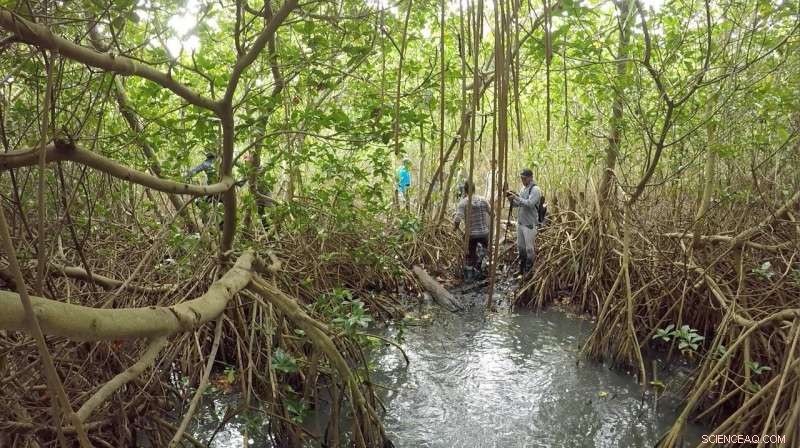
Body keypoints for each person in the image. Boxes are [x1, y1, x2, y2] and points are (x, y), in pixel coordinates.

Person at [506, 169, 542, 276]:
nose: (522, 180)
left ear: (530, 177)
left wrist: (516, 197)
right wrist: (511, 199)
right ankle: (521, 270)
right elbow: (519, 204)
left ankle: (529, 271)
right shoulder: (523, 189)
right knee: (521, 248)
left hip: (529, 224)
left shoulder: (535, 189)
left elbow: (530, 203)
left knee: (529, 249)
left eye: (524, 178)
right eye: (521, 178)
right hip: (520, 223)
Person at [454, 180, 492, 280]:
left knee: (470, 255)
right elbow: (493, 214)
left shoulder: (464, 202)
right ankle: (480, 267)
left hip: (471, 235)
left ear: (465, 190)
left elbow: (458, 218)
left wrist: (455, 228)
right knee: (483, 253)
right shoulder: (483, 200)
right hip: (484, 234)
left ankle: (472, 275)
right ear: (474, 189)